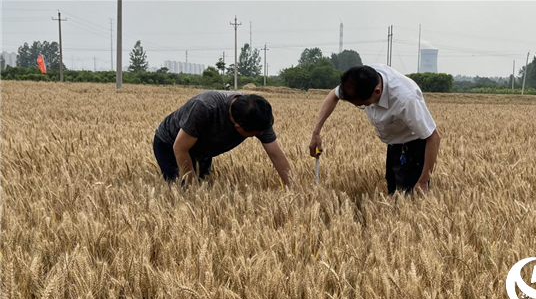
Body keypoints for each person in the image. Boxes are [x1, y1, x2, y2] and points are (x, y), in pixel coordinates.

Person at [308, 64, 441, 195]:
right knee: (393, 193)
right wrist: (316, 132)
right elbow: (333, 95)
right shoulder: (357, 81)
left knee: (409, 198)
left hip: (413, 147)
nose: (361, 107)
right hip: (393, 144)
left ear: (377, 92)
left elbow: (433, 137)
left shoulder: (405, 100)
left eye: (362, 105)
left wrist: (424, 180)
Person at [154, 91, 291, 186]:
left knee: (205, 185)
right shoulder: (205, 107)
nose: (261, 135)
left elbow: (275, 154)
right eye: (256, 134)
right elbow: (180, 148)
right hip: (170, 144)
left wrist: (293, 187)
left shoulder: (257, 117)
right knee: (178, 188)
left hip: (203, 150)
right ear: (238, 128)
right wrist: (190, 185)